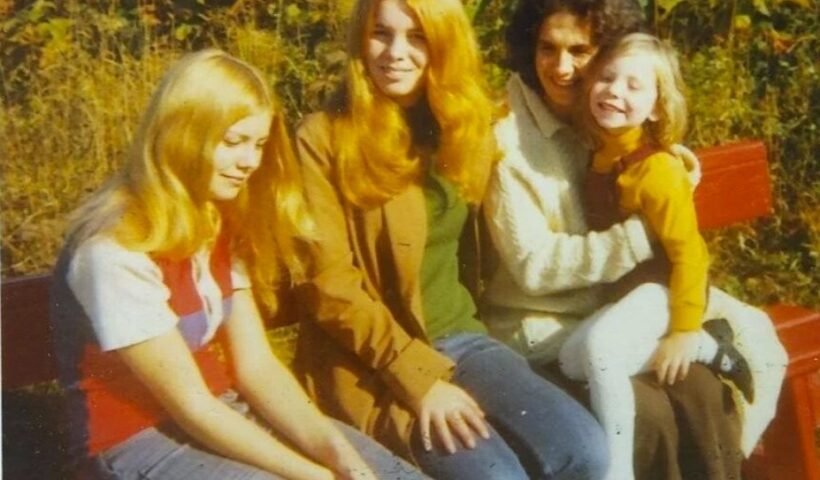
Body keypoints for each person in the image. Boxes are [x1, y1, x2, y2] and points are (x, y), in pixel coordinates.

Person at [49, 49, 427, 480]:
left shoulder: (215, 216)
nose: (250, 161)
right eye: (233, 143)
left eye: (259, 144)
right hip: (136, 444)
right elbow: (191, 405)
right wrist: (314, 475)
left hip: (221, 410)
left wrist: (334, 449)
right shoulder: (112, 248)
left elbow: (256, 367)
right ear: (182, 133)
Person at [291, 0, 609, 478]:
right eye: (382, 33)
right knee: (496, 475)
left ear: (444, 43)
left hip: (462, 339)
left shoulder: (465, 123)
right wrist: (419, 380)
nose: (395, 52)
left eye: (416, 36)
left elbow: (578, 122)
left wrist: (663, 156)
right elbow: (328, 284)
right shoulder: (324, 138)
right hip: (373, 360)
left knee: (585, 450)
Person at [482, 0, 787, 479]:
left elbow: (646, 154)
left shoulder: (595, 109)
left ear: (606, 51)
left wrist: (676, 166)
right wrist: (643, 233)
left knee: (731, 362)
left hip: (621, 301)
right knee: (656, 411)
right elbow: (534, 266)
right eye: (548, 48)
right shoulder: (508, 140)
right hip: (545, 320)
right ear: (529, 47)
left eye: (579, 50)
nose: (561, 67)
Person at [555, 32, 753, 480]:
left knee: (602, 352)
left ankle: (618, 470)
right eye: (606, 78)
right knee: (572, 359)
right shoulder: (602, 152)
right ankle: (712, 348)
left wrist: (684, 330)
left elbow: (691, 255)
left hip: (665, 288)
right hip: (630, 292)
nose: (615, 92)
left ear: (658, 107)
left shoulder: (660, 170)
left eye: (634, 86)